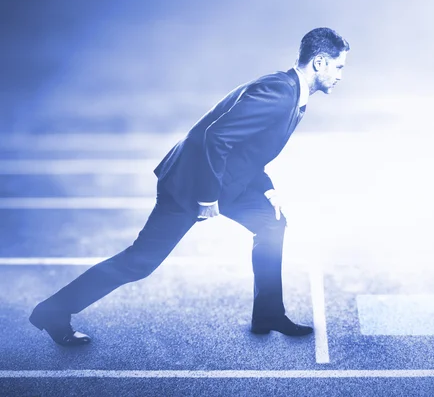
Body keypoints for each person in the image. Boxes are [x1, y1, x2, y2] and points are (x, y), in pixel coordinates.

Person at [29, 27, 350, 346]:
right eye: (338, 67)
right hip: (192, 183)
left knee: (272, 222)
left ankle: (267, 313)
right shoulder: (279, 94)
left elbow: (249, 148)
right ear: (319, 62)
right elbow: (217, 136)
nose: (340, 75)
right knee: (139, 262)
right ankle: (53, 312)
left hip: (228, 180)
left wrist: (266, 187)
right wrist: (208, 196)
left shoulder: (292, 93)